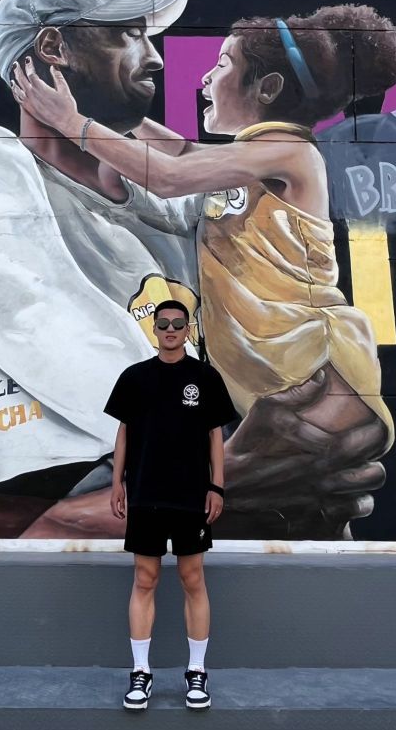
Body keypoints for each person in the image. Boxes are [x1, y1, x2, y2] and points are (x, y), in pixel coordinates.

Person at [0, 0, 388, 540]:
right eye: (128, 34)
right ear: (53, 48)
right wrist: (209, 490)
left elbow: (174, 167)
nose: (157, 59)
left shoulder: (200, 204)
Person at [12, 3, 396, 497]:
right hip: (271, 375)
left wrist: (75, 124)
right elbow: (184, 153)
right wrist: (115, 112)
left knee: (156, 493)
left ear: (267, 88)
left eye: (221, 65)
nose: (205, 77)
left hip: (314, 368)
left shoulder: (292, 152)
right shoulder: (253, 154)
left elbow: (171, 175)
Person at [104, 299, 237, 710]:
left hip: (191, 496)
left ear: (188, 329)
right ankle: (140, 673)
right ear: (155, 329)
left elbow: (215, 436)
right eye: (163, 324)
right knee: (144, 579)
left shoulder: (205, 378)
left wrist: (217, 487)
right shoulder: (134, 378)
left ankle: (196, 672)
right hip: (145, 493)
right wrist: (116, 483)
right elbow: (124, 433)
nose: (171, 330)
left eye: (178, 324)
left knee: (192, 578)